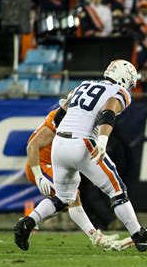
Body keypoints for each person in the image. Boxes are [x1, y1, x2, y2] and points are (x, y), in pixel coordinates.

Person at [14, 60, 147, 252]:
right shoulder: (120, 91)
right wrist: (102, 140)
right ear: (124, 79)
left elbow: (59, 116)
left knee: (65, 197)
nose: (130, 87)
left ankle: (28, 222)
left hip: (59, 143)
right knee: (116, 190)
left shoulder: (83, 85)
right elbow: (109, 110)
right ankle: (139, 236)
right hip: (82, 144)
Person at [24, 101, 118, 248]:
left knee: (70, 200)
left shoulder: (75, 119)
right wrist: (38, 175)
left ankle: (29, 222)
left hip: (54, 165)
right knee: (72, 198)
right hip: (40, 165)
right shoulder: (59, 117)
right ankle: (95, 237)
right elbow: (32, 146)